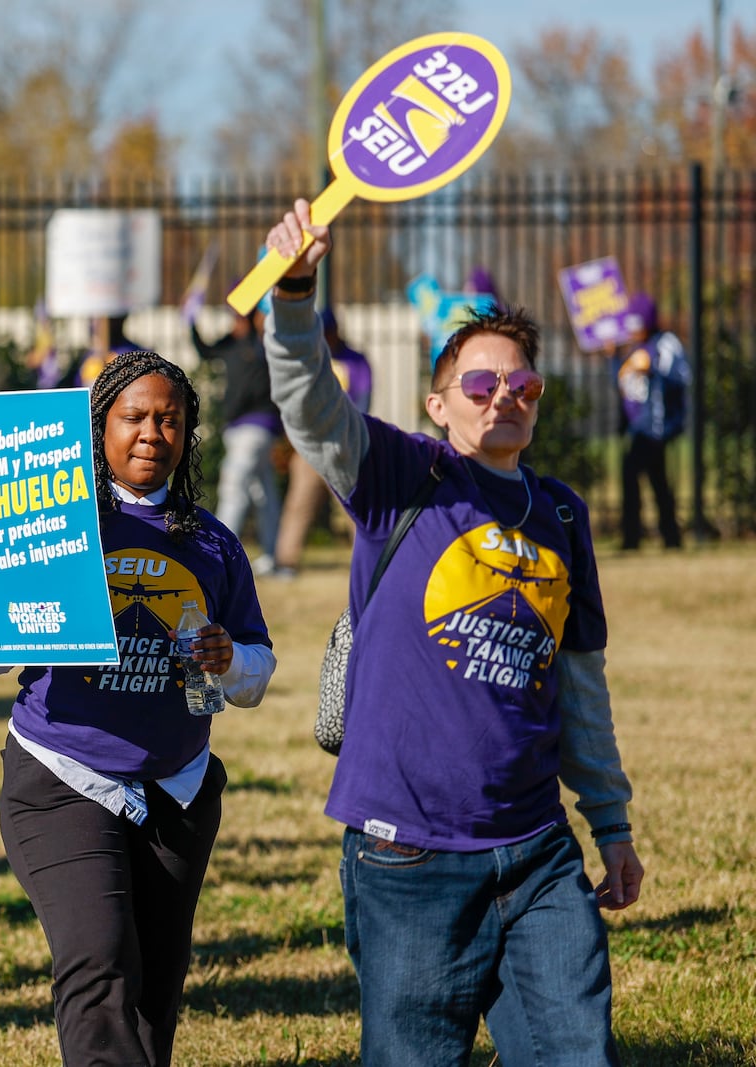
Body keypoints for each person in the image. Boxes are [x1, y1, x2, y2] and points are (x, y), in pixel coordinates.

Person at [261, 199, 644, 1065]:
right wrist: (294, 294)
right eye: (480, 383)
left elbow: (579, 686)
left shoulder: (560, 513)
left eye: (524, 385)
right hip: (409, 854)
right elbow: (312, 403)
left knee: (574, 1053)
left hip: (539, 852)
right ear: (439, 402)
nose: (504, 395)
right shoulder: (399, 472)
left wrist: (609, 824)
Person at [0, 350, 275, 1066]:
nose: (153, 433)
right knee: (100, 959)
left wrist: (229, 658)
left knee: (154, 991)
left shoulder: (213, 541)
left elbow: (257, 671)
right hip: (64, 778)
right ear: (100, 428)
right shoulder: (53, 521)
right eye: (135, 417)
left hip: (178, 788)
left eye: (170, 420)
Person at [271, 307, 372, 577]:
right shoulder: (310, 361)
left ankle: (366, 562)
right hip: (309, 446)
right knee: (298, 503)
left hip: (344, 444)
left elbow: (362, 399)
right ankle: (285, 562)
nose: (327, 336)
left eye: (329, 330)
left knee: (354, 506)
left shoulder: (355, 360)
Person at [191, 303, 281, 573]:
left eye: (242, 314)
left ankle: (216, 554)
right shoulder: (232, 342)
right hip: (236, 428)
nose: (235, 321)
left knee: (234, 484)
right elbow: (206, 352)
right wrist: (191, 322)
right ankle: (270, 557)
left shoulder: (261, 344)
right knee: (263, 492)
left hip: (257, 426)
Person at [613, 292, 688, 550]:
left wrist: (654, 370)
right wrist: (613, 358)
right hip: (638, 427)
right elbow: (623, 383)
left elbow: (681, 377)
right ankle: (670, 537)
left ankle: (633, 537)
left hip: (654, 428)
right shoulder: (635, 348)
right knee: (658, 481)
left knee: (631, 472)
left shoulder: (664, 344)